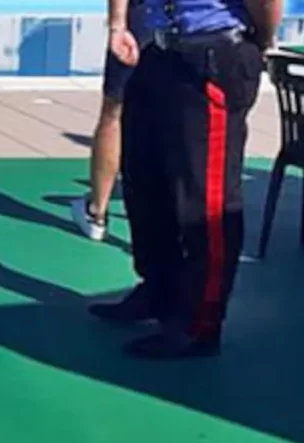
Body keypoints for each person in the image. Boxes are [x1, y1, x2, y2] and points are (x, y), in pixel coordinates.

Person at [90, 0, 282, 359]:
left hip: (211, 55)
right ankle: (158, 291)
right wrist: (118, 25)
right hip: (156, 52)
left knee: (205, 200)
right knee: (147, 182)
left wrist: (259, 41)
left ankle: (199, 323)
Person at [71, 3, 149, 241]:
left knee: (114, 111)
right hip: (199, 26)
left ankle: (98, 211)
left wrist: (117, 25)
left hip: (143, 20)